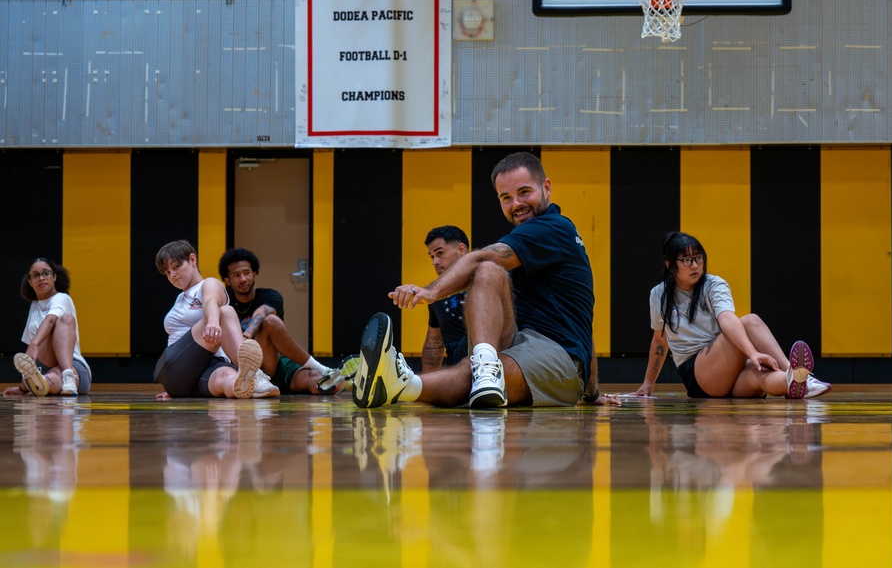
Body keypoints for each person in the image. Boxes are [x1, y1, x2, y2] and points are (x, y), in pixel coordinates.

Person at [352, 151, 619, 409]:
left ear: (546, 187)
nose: (516, 204)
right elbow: (585, 320)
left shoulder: (555, 227)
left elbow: (479, 258)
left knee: (487, 264)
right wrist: (593, 393)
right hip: (519, 340)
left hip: (558, 354)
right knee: (491, 271)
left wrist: (430, 293)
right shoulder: (533, 243)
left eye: (524, 192)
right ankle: (483, 364)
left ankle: (401, 383)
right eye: (506, 197)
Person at [634, 232, 831, 399]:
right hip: (699, 374)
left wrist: (752, 355)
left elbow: (727, 318)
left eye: (698, 258)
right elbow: (660, 341)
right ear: (670, 265)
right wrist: (648, 383)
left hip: (728, 370)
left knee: (760, 377)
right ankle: (792, 369)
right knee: (750, 321)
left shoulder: (714, 284)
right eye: (686, 260)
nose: (694, 265)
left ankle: (797, 380)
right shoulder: (659, 294)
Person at [218, 247, 345, 395]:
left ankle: (325, 373)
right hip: (249, 368)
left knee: (315, 378)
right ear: (227, 280)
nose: (243, 279)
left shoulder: (270, 296)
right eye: (236, 275)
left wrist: (245, 337)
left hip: (276, 362)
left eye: (247, 273)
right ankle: (323, 370)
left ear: (254, 273)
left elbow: (261, 314)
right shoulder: (225, 304)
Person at [153, 240, 268, 399]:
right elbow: (211, 306)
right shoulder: (180, 298)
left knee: (228, 377)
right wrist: (213, 321)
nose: (172, 275)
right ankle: (257, 376)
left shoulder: (209, 284)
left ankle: (249, 385)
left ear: (193, 259)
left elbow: (210, 301)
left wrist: (213, 322)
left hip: (208, 367)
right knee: (225, 312)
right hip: (177, 369)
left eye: (176, 267)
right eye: (167, 272)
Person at [5, 258, 92, 397]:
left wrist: (34, 344)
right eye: (36, 275)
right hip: (45, 368)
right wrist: (23, 388)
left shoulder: (62, 298)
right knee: (51, 378)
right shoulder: (34, 306)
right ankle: (43, 381)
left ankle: (67, 374)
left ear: (54, 277)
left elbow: (50, 320)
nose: (41, 278)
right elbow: (30, 359)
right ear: (30, 282)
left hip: (73, 366)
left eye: (46, 273)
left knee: (66, 319)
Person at [421, 225, 470, 373]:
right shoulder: (436, 295)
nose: (434, 262)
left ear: (461, 250)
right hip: (458, 371)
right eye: (432, 257)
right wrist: (427, 382)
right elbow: (433, 346)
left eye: (440, 253)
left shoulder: (488, 279)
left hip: (496, 364)